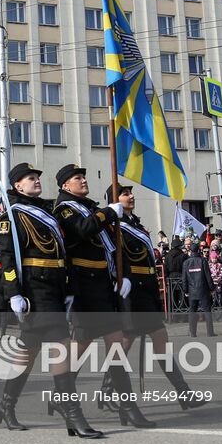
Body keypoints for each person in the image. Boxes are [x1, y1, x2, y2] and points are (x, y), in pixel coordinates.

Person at [0, 162, 107, 438]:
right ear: (17, 185)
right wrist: (14, 293)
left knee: (27, 352)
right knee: (63, 347)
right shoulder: (12, 215)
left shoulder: (46, 212)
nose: (36, 181)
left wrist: (67, 287)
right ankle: (72, 414)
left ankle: (6, 405)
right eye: (30, 178)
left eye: (37, 177)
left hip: (54, 287)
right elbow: (7, 256)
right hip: (34, 288)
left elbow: (61, 252)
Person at [52, 165, 145, 427]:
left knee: (112, 344)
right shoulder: (65, 209)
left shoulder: (90, 207)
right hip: (84, 285)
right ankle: (62, 396)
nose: (83, 180)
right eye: (77, 178)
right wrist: (108, 212)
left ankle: (127, 407)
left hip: (103, 283)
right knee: (82, 347)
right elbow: (81, 230)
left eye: (84, 176)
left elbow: (113, 244)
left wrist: (123, 273)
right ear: (65, 186)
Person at [107, 184, 203, 412]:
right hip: (130, 291)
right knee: (124, 344)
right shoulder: (113, 226)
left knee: (160, 338)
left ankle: (184, 393)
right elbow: (114, 255)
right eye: (125, 193)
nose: (131, 196)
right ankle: (108, 391)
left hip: (145, 289)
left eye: (130, 193)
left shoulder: (136, 225)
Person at [183, 243, 216, 337]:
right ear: (199, 250)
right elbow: (208, 276)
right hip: (203, 290)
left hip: (192, 290)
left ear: (190, 251)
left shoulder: (186, 263)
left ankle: (192, 333)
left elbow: (184, 278)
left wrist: (185, 290)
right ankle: (210, 332)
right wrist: (212, 288)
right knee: (207, 311)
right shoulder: (203, 261)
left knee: (192, 311)